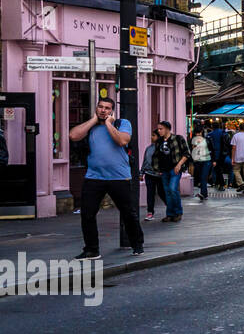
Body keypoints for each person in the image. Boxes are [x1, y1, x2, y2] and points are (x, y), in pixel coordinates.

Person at [69, 95, 143, 259]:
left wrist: (109, 124)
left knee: (128, 213)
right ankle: (91, 249)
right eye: (100, 107)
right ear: (96, 108)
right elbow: (73, 135)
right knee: (87, 214)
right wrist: (93, 120)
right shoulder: (91, 126)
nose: (103, 110)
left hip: (119, 178)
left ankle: (137, 244)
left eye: (107, 108)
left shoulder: (122, 124)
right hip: (94, 177)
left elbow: (122, 141)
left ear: (112, 111)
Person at [154, 120, 190, 222]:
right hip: (164, 170)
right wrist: (158, 168)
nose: (159, 131)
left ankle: (178, 212)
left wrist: (179, 165)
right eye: (158, 129)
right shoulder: (159, 141)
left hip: (175, 169)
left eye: (161, 129)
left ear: (167, 129)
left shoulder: (178, 139)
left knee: (173, 189)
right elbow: (157, 156)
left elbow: (187, 153)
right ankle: (170, 214)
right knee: (167, 192)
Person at [140, 130, 161, 221]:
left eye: (153, 135)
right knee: (150, 194)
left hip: (160, 175)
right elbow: (145, 161)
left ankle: (172, 209)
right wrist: (141, 173)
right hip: (149, 174)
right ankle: (150, 212)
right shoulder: (149, 148)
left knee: (162, 193)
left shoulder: (163, 148)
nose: (151, 137)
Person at [189, 125, 211, 202]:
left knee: (203, 177)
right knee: (200, 178)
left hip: (206, 160)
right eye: (196, 133)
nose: (198, 134)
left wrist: (214, 160)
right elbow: (192, 149)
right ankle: (204, 194)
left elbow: (211, 148)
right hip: (198, 161)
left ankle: (203, 194)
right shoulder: (193, 140)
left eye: (199, 133)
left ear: (202, 132)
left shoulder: (207, 139)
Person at [207, 121, 227, 190]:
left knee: (217, 170)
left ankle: (221, 184)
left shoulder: (210, 134)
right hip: (222, 154)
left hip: (213, 154)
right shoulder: (223, 133)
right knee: (218, 169)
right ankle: (218, 183)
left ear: (212, 126)